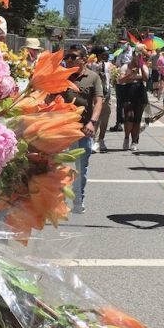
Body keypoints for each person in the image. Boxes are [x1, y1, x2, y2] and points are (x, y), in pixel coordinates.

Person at [61, 45, 103, 214]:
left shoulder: (93, 77)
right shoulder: (63, 76)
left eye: (73, 57)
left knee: (80, 166)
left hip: (83, 129)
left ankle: (78, 199)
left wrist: (92, 122)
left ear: (84, 59)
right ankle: (60, 201)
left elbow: (98, 101)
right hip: (62, 129)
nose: (68, 60)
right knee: (60, 165)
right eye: (67, 57)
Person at [119, 44, 149, 152]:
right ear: (133, 56)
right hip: (128, 92)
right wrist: (130, 74)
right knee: (129, 116)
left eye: (140, 57)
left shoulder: (143, 67)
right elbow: (121, 80)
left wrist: (141, 67)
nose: (138, 58)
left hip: (140, 93)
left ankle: (134, 141)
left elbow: (145, 79)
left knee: (137, 119)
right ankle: (127, 137)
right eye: (137, 56)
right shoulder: (125, 67)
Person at [89, 45, 113, 153]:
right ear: (99, 54)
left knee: (105, 118)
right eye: (104, 53)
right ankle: (93, 141)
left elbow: (111, 79)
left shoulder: (108, 65)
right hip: (95, 95)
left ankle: (101, 140)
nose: (107, 55)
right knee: (96, 118)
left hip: (106, 94)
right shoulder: (90, 65)